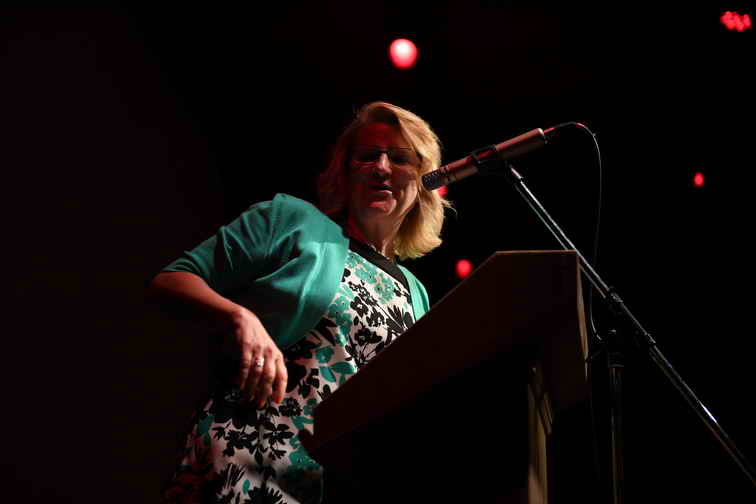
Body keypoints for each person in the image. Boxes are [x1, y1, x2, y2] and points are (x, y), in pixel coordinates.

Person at [150, 101, 450, 503]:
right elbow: (171, 280)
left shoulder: (416, 293)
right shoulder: (292, 220)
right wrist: (240, 318)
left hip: (336, 482)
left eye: (399, 158)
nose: (381, 168)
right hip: (249, 453)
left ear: (424, 179)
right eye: (367, 156)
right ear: (344, 171)